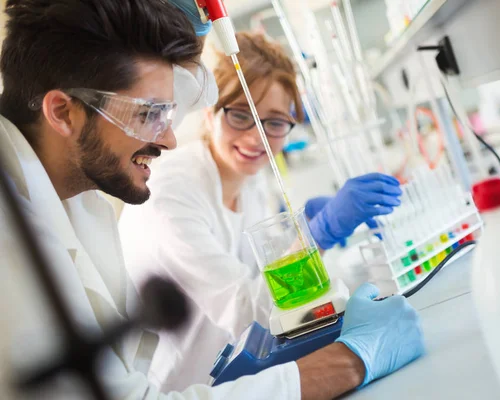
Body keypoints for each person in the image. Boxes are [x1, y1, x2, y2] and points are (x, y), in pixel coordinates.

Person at [0, 1, 424, 400]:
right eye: (149, 113)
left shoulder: (78, 197)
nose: (166, 138)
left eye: (166, 114)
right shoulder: (12, 241)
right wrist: (350, 362)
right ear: (62, 112)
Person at [119, 29, 416, 389]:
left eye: (274, 122)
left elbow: (267, 281)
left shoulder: (250, 179)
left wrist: (304, 227)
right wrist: (320, 233)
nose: (257, 138)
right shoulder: (169, 193)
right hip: (193, 389)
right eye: (241, 115)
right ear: (211, 113)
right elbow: (250, 313)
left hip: (248, 375)